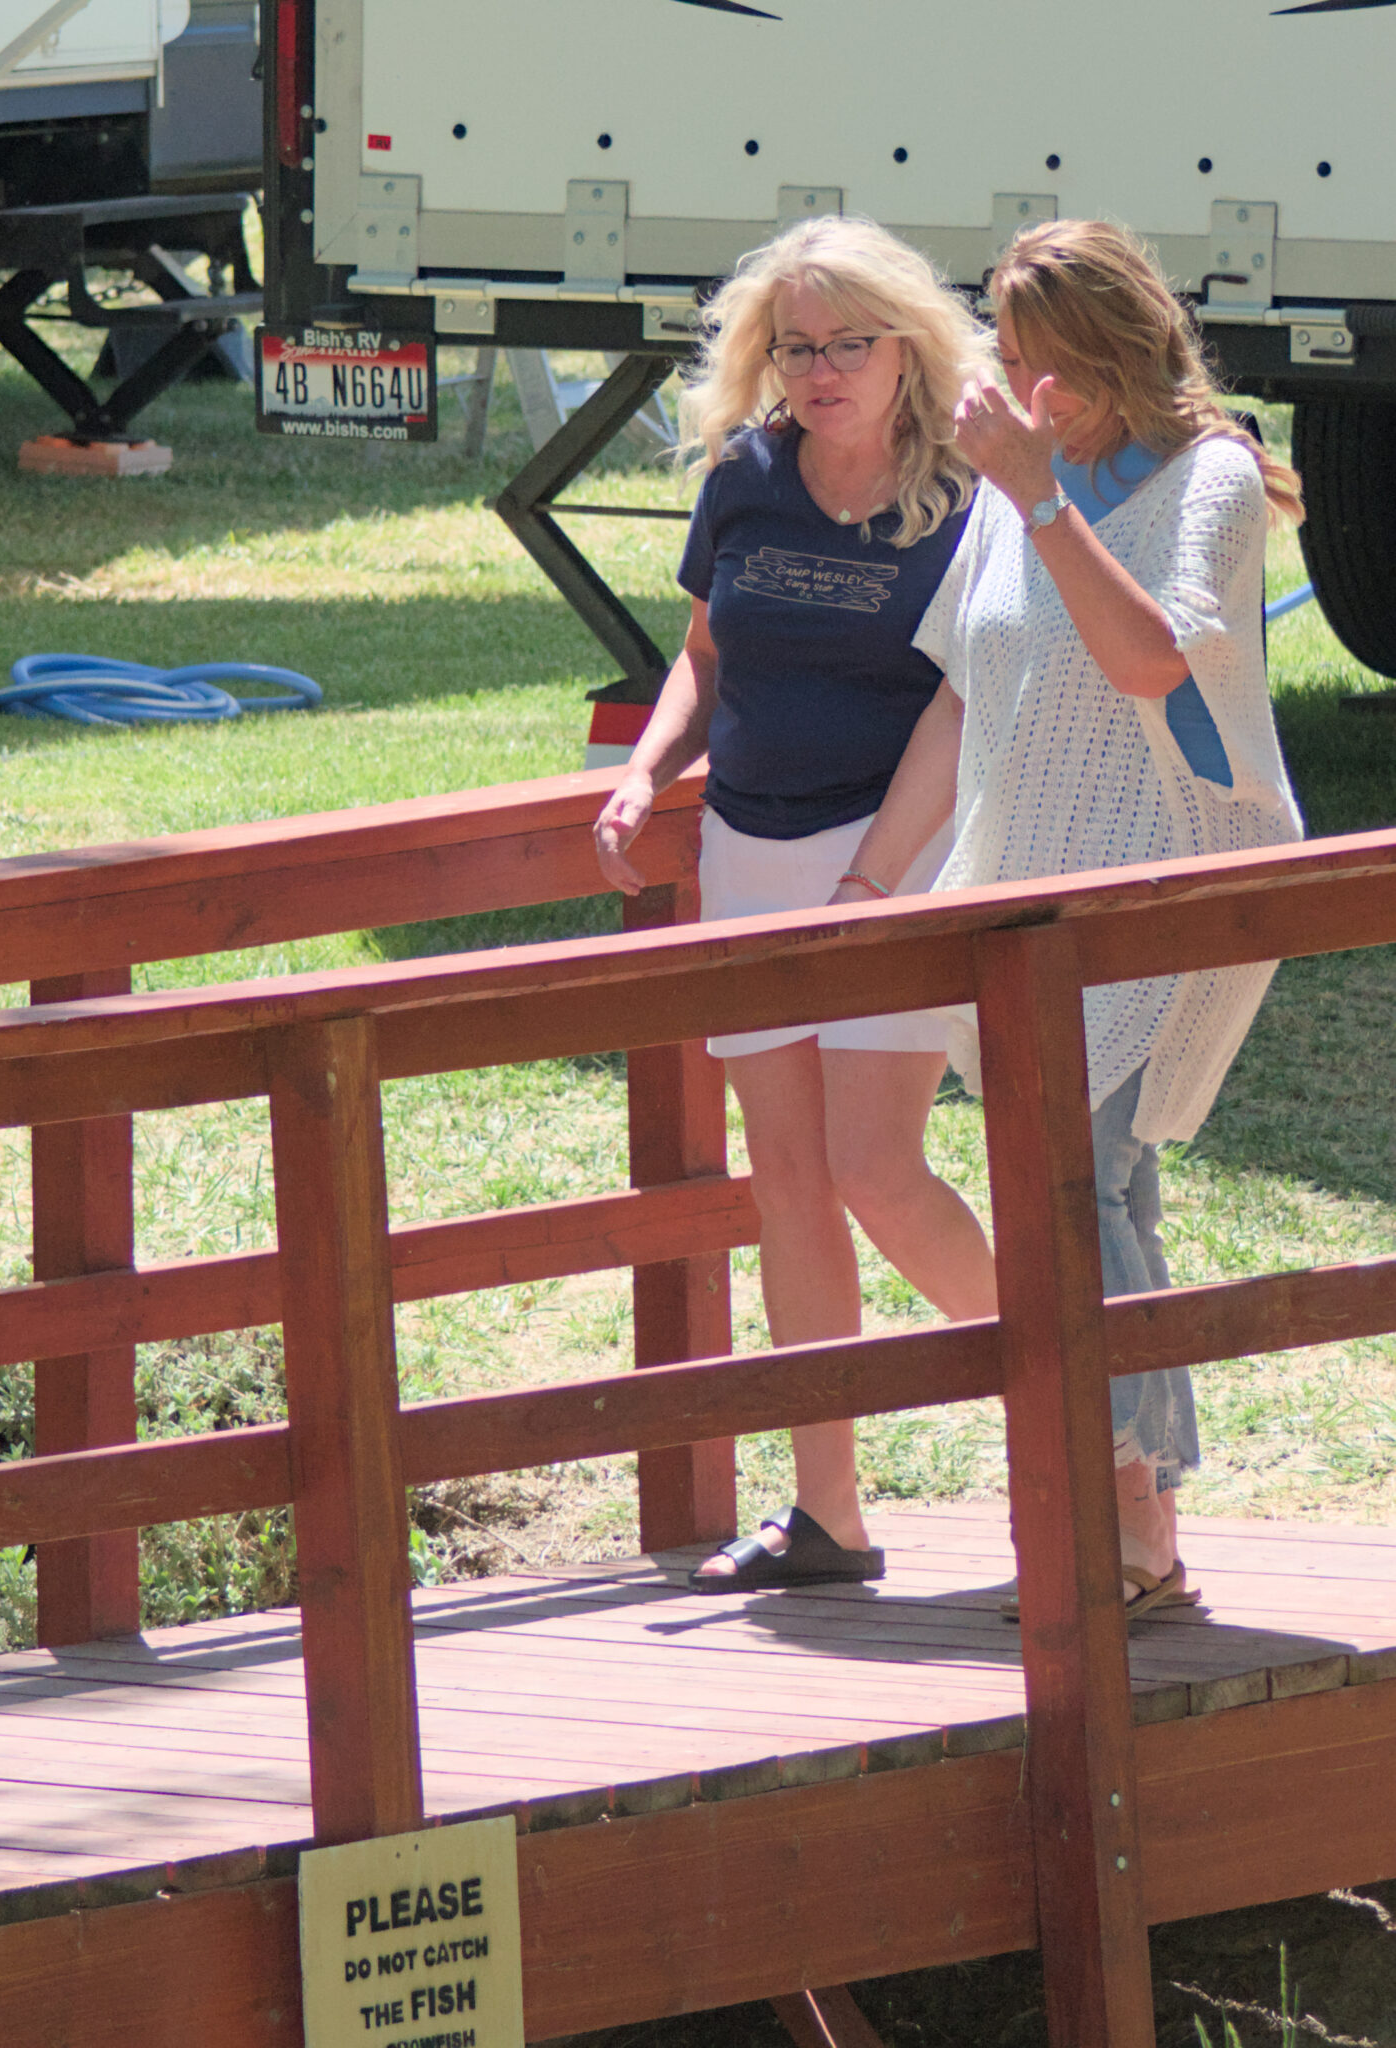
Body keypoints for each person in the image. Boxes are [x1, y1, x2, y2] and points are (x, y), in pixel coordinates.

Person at [835, 219, 1305, 1615]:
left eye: (1048, 364)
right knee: (1094, 1195)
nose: (1020, 387)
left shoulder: (1203, 476)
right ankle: (1140, 1524)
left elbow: (1153, 659)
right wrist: (876, 877)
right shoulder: (1016, 475)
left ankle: (1128, 1534)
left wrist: (1041, 497)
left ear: (1114, 357)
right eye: (1010, 356)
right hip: (1027, 898)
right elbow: (965, 687)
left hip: (1165, 884)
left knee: (1081, 1194)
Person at [593, 216, 999, 1591]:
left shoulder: (964, 493)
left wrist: (876, 875)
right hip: (749, 856)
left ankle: (1085, 1409)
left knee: (874, 1169)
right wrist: (646, 774)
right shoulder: (746, 478)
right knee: (786, 1189)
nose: (821, 373)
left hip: (896, 854)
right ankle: (829, 1516)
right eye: (796, 347)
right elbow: (705, 657)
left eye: (849, 345)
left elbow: (965, 697)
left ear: (909, 347)